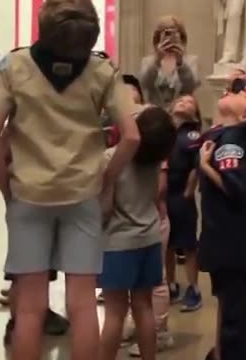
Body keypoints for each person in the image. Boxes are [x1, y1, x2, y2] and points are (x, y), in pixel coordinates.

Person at [0, 0, 141, 360]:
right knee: (82, 304)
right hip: (82, 192)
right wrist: (106, 181)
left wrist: (7, 187)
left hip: (28, 192)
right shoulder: (102, 70)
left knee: (30, 307)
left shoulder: (14, 67)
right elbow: (131, 136)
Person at [196, 81, 246, 360]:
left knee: (239, 324)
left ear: (245, 117)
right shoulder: (232, 139)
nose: (243, 92)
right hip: (241, 245)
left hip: (235, 246)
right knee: (238, 316)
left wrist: (206, 167)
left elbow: (237, 189)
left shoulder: (231, 144)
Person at [98, 106, 176, 360]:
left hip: (118, 242)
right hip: (150, 239)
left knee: (114, 313)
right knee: (143, 307)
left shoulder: (112, 158)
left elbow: (106, 207)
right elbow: (154, 196)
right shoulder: (154, 161)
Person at [163, 95, 203, 312]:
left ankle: (193, 287)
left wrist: (189, 190)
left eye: (190, 102)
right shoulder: (165, 132)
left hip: (181, 194)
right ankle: (170, 283)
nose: (183, 103)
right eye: (180, 100)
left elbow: (196, 165)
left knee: (187, 243)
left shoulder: (192, 135)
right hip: (163, 193)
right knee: (167, 243)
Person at [138, 17, 200, 110]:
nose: (170, 38)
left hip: (181, 115)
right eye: (166, 34)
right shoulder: (148, 61)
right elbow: (144, 85)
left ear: (181, 37)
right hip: (155, 114)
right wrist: (157, 61)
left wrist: (180, 63)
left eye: (174, 33)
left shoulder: (190, 61)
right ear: (158, 37)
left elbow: (190, 87)